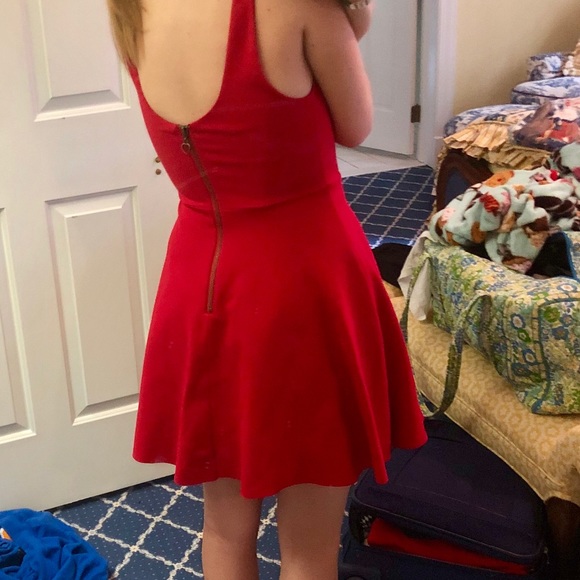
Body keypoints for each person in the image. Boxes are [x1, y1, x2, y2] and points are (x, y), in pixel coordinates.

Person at [106, 0, 427, 578]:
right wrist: (353, 16)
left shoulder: (134, 9)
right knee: (306, 548)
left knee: (224, 528)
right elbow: (356, 124)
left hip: (201, 281)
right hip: (302, 284)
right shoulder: (297, 4)